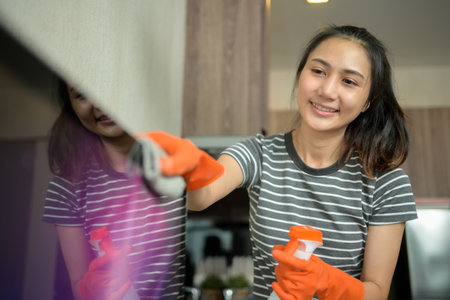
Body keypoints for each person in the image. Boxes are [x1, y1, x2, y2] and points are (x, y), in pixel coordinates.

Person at [145, 25, 418, 300]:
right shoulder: (259, 153)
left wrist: (327, 282)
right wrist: (194, 171)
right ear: (301, 75)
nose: (326, 90)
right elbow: (199, 198)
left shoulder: (386, 183)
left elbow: (377, 292)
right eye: (318, 71)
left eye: (349, 81)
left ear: (368, 101)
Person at [42, 79, 206, 300]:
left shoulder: (175, 164)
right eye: (81, 94)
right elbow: (78, 287)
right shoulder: (66, 188)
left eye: (108, 85)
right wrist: (89, 287)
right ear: (70, 105)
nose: (99, 104)